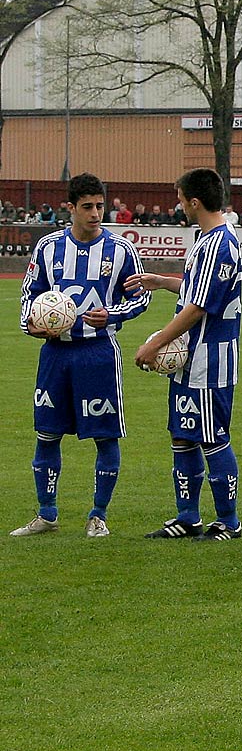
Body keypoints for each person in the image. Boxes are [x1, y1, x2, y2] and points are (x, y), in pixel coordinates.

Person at [12, 174, 150, 538]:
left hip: (98, 353)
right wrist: (33, 325)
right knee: (46, 433)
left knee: (104, 437)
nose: (95, 214)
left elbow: (141, 297)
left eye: (99, 206)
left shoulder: (121, 250)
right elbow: (29, 296)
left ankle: (98, 515)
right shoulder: (47, 248)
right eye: (87, 207)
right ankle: (46, 514)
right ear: (70, 207)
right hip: (55, 353)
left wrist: (113, 315)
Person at [129, 168, 242, 540]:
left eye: (180, 199)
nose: (179, 206)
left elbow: (197, 308)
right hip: (189, 360)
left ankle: (228, 521)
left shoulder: (219, 244)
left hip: (210, 361)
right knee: (182, 435)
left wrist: (154, 343)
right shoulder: (207, 239)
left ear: (194, 202)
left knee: (212, 437)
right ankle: (188, 517)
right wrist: (162, 282)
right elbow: (200, 289)